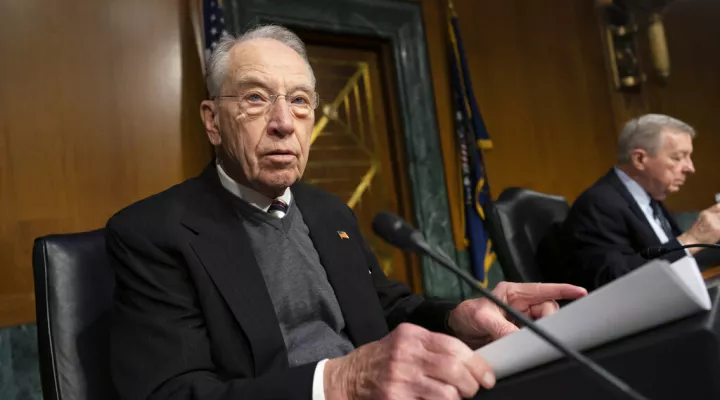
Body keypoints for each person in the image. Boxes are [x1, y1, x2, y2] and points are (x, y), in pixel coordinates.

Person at [106, 24, 587, 400]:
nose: (282, 123)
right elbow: (171, 393)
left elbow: (389, 307)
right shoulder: (154, 232)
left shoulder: (329, 211)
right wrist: (338, 383)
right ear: (212, 121)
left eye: (299, 102)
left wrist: (459, 317)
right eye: (255, 98)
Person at [538, 114, 720, 291]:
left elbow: (679, 257)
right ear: (640, 159)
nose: (690, 168)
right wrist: (693, 238)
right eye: (678, 157)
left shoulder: (649, 199)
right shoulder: (600, 203)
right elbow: (613, 280)